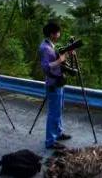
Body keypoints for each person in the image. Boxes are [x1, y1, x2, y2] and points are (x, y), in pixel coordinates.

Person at [39, 20, 75, 150]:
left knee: (58, 110)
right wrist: (60, 60)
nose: (59, 34)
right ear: (52, 34)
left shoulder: (51, 45)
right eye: (58, 32)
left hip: (58, 82)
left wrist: (67, 54)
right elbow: (46, 67)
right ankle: (50, 141)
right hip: (53, 84)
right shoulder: (45, 48)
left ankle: (58, 133)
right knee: (53, 113)